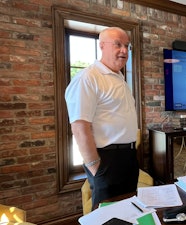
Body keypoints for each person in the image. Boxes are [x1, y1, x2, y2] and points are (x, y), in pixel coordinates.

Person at [65, 27, 139, 209]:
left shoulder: (119, 78)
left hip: (128, 157)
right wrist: (95, 167)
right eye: (118, 45)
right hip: (106, 160)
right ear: (102, 46)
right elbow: (80, 127)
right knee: (108, 217)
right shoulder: (88, 78)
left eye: (126, 46)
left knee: (129, 211)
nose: (123, 50)